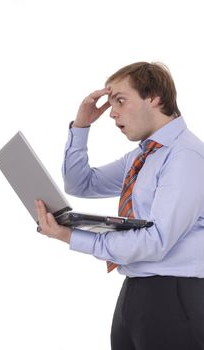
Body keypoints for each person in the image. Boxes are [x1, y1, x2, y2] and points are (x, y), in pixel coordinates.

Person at [35, 62, 204, 350]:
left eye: (121, 101)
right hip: (135, 291)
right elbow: (81, 184)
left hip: (175, 295)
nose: (112, 113)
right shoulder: (142, 156)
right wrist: (81, 126)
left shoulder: (185, 156)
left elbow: (156, 241)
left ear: (155, 98)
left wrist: (70, 236)